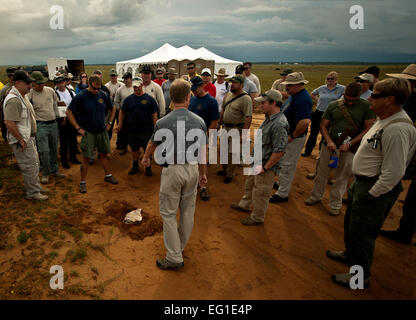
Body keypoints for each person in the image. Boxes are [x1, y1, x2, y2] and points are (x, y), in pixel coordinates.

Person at [326, 78, 416, 288]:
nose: (370, 98)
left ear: (390, 99)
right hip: (363, 182)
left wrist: (372, 194)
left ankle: (359, 277)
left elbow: (394, 172)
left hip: (374, 187)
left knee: (363, 235)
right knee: (352, 227)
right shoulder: (384, 118)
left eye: (375, 95)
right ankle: (350, 255)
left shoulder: (397, 129)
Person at [141, 78, 207, 270]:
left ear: (171, 97)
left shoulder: (163, 121)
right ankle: (179, 248)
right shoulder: (199, 121)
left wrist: (146, 158)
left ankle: (174, 257)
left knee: (169, 214)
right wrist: (203, 173)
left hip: (173, 171)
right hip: (192, 169)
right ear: (188, 97)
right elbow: (203, 152)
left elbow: (152, 144)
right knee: (187, 211)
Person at [305, 82, 375, 216]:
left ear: (359, 96)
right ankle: (316, 196)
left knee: (342, 177)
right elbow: (323, 125)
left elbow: (368, 128)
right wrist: (329, 141)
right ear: (344, 95)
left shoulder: (366, 106)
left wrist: (350, 144)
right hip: (330, 145)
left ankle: (335, 204)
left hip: (349, 148)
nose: (349, 103)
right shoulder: (334, 105)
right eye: (347, 99)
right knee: (322, 172)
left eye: (353, 101)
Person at [231, 89, 289, 226]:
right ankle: (245, 205)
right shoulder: (269, 118)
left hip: (265, 165)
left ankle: (257, 217)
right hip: (256, 160)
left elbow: (280, 151)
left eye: (264, 103)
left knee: (261, 192)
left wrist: (265, 167)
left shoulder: (279, 124)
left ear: (274, 103)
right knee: (250, 185)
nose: (260, 105)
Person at [380, 64, 416, 245]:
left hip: (406, 153)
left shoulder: (410, 103)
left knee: (412, 200)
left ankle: (405, 232)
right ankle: (406, 230)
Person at [66, 75, 118, 193]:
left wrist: (110, 122)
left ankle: (108, 175)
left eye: (99, 88)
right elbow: (69, 112)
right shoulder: (80, 97)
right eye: (94, 88)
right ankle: (83, 182)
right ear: (89, 85)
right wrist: (78, 128)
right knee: (86, 158)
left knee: (103, 154)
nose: (96, 91)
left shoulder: (102, 95)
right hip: (88, 132)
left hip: (101, 130)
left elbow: (113, 108)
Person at [3, 71, 48, 200]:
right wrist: (20, 139)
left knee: (34, 164)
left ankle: (36, 188)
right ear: (17, 83)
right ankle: (33, 193)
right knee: (29, 166)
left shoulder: (22, 96)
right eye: (27, 83)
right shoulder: (14, 100)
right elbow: (9, 123)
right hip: (22, 141)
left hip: (28, 138)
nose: (30, 86)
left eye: (30, 83)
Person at [270, 72, 312, 203]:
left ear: (299, 85)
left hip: (294, 138)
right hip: (288, 135)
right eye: (287, 84)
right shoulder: (296, 95)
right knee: (284, 162)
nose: (287, 87)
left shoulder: (302, 99)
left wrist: (292, 135)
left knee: (288, 164)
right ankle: (281, 183)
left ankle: (282, 193)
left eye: (290, 85)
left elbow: (305, 121)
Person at [27, 71, 65, 184]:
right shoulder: (30, 94)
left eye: (42, 83)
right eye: (38, 83)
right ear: (33, 83)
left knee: (54, 148)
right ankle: (46, 173)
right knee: (44, 151)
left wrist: (61, 117)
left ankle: (55, 170)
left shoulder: (50, 91)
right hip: (40, 125)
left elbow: (56, 105)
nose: (41, 85)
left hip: (53, 124)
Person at [116, 77, 158, 176]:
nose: (136, 89)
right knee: (134, 149)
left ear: (142, 86)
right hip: (132, 130)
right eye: (134, 87)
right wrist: (120, 124)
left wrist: (156, 128)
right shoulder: (128, 99)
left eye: (138, 87)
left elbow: (154, 114)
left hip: (146, 130)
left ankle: (147, 167)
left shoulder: (150, 99)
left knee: (147, 150)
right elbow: (122, 112)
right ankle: (135, 166)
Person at [189, 76, 220, 200]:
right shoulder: (192, 100)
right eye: (193, 89)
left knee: (202, 161)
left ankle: (202, 186)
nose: (194, 91)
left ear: (202, 86)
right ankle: (193, 183)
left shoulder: (211, 101)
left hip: (203, 136)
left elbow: (215, 121)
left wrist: (207, 135)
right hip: (191, 136)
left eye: (196, 89)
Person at [217, 75, 253, 183]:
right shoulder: (228, 95)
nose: (232, 84)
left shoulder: (246, 99)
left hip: (236, 128)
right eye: (232, 82)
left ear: (241, 85)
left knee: (233, 153)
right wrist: (220, 122)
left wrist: (244, 134)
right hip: (225, 127)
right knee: (223, 150)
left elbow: (248, 117)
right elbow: (223, 108)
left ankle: (230, 174)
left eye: (235, 83)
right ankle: (225, 170)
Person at [302, 71, 345, 157]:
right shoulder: (322, 88)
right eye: (328, 78)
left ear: (336, 79)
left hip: (331, 114)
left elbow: (344, 97)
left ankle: (321, 153)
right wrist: (317, 100)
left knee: (326, 134)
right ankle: (308, 151)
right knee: (313, 132)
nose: (330, 80)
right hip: (319, 112)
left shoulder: (341, 88)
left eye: (332, 78)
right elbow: (312, 94)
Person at [54, 75, 80, 169]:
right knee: (64, 142)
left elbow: (76, 103)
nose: (60, 84)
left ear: (65, 82)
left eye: (62, 82)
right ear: (56, 84)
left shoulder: (71, 92)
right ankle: (64, 161)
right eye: (58, 83)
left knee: (73, 140)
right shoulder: (55, 94)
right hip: (62, 121)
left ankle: (73, 158)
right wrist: (61, 119)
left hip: (72, 119)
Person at [114, 72, 134, 155]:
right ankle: (123, 147)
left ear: (131, 79)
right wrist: (119, 110)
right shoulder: (120, 89)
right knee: (122, 131)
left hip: (134, 113)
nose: (125, 80)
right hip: (124, 113)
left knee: (133, 131)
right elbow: (116, 101)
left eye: (127, 78)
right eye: (124, 78)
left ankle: (134, 147)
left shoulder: (135, 88)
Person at [105, 69, 123, 140]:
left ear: (117, 76)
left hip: (119, 109)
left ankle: (120, 143)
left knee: (120, 125)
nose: (113, 77)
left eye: (114, 76)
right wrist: (111, 95)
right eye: (112, 76)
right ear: (110, 76)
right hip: (111, 109)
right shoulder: (107, 85)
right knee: (109, 125)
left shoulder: (121, 85)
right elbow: (105, 97)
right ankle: (107, 142)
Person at [0, 67, 17, 141]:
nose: (12, 78)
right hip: (7, 118)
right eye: (10, 76)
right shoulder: (4, 89)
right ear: (8, 77)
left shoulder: (19, 87)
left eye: (14, 75)